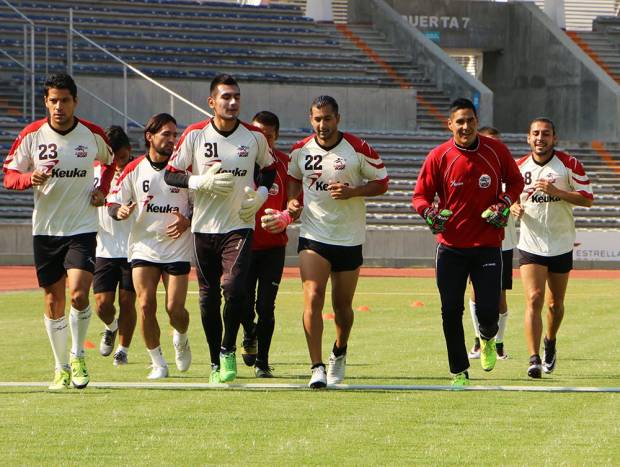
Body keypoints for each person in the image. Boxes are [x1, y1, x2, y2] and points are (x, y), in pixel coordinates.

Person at [2, 73, 115, 390]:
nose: (59, 106)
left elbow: (111, 160)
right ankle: (60, 366)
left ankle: (78, 356)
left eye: (65, 100)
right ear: (45, 102)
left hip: (81, 227)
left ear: (75, 101)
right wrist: (29, 179)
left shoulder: (91, 134)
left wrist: (101, 188)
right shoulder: (32, 135)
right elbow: (9, 175)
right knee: (54, 301)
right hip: (46, 230)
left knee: (79, 294)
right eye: (53, 100)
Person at [165, 74, 275, 383]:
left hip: (239, 225)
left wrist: (262, 195)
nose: (232, 102)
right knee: (208, 298)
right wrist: (200, 181)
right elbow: (171, 175)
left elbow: (269, 169)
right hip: (203, 229)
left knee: (234, 289)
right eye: (226, 97)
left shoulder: (254, 137)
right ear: (212, 102)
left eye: (236, 96)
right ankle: (215, 362)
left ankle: (228, 349)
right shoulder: (195, 135)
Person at [412, 98, 524, 387]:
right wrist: (430, 214)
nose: (465, 126)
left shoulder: (496, 150)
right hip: (450, 247)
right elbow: (420, 196)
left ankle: (487, 338)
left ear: (476, 122)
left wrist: (504, 203)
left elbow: (515, 182)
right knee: (450, 309)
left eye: (470, 120)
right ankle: (458, 371)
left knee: (489, 310)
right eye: (459, 121)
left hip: (488, 244)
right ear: (450, 124)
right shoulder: (439, 156)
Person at [286, 95, 389, 388]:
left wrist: (353, 191)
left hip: (348, 237)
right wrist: (293, 201)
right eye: (317, 119)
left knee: (343, 308)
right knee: (313, 295)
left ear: (337, 119)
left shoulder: (357, 149)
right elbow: (293, 177)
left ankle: (339, 351)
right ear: (311, 120)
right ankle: (316, 367)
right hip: (313, 236)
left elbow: (382, 182)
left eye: (327, 118)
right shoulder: (300, 151)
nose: (322, 125)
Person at [108, 113, 192, 380]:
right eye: (165, 134)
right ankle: (158, 362)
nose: (171, 140)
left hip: (176, 246)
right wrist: (119, 211)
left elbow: (199, 204)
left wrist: (186, 220)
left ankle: (181, 336)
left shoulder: (183, 170)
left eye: (174, 134)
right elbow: (113, 201)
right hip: (144, 247)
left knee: (175, 309)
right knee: (144, 305)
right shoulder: (134, 169)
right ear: (150, 137)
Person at [510, 117, 593, 378]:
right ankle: (533, 359)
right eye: (535, 133)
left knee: (555, 305)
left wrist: (558, 192)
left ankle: (550, 341)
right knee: (533, 298)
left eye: (546, 134)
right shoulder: (518, 166)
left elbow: (587, 199)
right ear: (528, 137)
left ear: (554, 138)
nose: (540, 138)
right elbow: (508, 197)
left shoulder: (569, 164)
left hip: (560, 242)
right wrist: (513, 207)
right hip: (530, 242)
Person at [235, 111, 290, 378]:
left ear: (276, 136)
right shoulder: (240, 159)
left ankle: (263, 362)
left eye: (269, 136)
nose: (264, 141)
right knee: (242, 300)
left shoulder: (285, 164)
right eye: (259, 135)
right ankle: (249, 332)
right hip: (242, 242)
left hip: (273, 247)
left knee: (266, 306)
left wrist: (286, 216)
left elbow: (295, 201)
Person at [467, 126, 517, 361]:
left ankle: (498, 344)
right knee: (476, 293)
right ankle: (478, 342)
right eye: (487, 141)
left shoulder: (508, 168)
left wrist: (515, 205)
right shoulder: (471, 167)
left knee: (499, 296)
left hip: (502, 243)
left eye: (496, 141)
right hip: (475, 241)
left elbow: (520, 192)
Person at [94, 126, 137, 366]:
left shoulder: (138, 170)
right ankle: (111, 327)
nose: (117, 163)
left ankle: (123, 349)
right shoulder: (95, 171)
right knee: (102, 304)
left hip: (133, 248)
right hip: (105, 247)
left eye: (120, 157)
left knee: (128, 302)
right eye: (112, 157)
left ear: (129, 151)